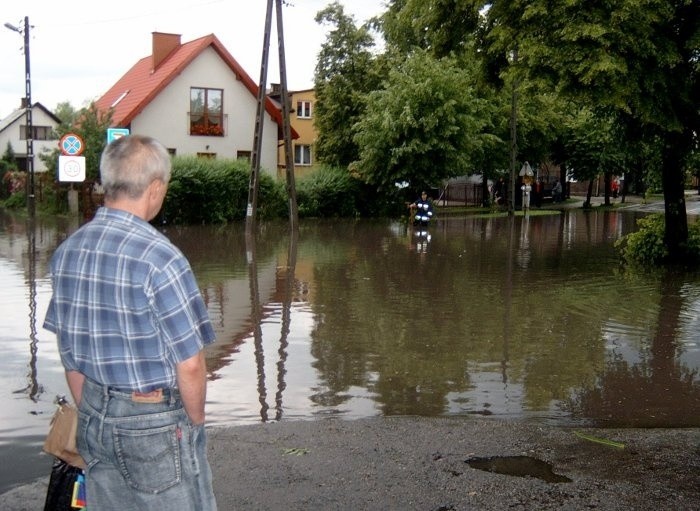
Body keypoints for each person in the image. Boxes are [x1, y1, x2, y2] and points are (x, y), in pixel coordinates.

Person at [43, 135, 217, 511]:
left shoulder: (67, 252)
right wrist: (196, 422)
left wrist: (93, 407)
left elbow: (69, 353)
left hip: (92, 415)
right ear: (154, 189)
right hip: (154, 422)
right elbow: (190, 363)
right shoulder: (161, 258)